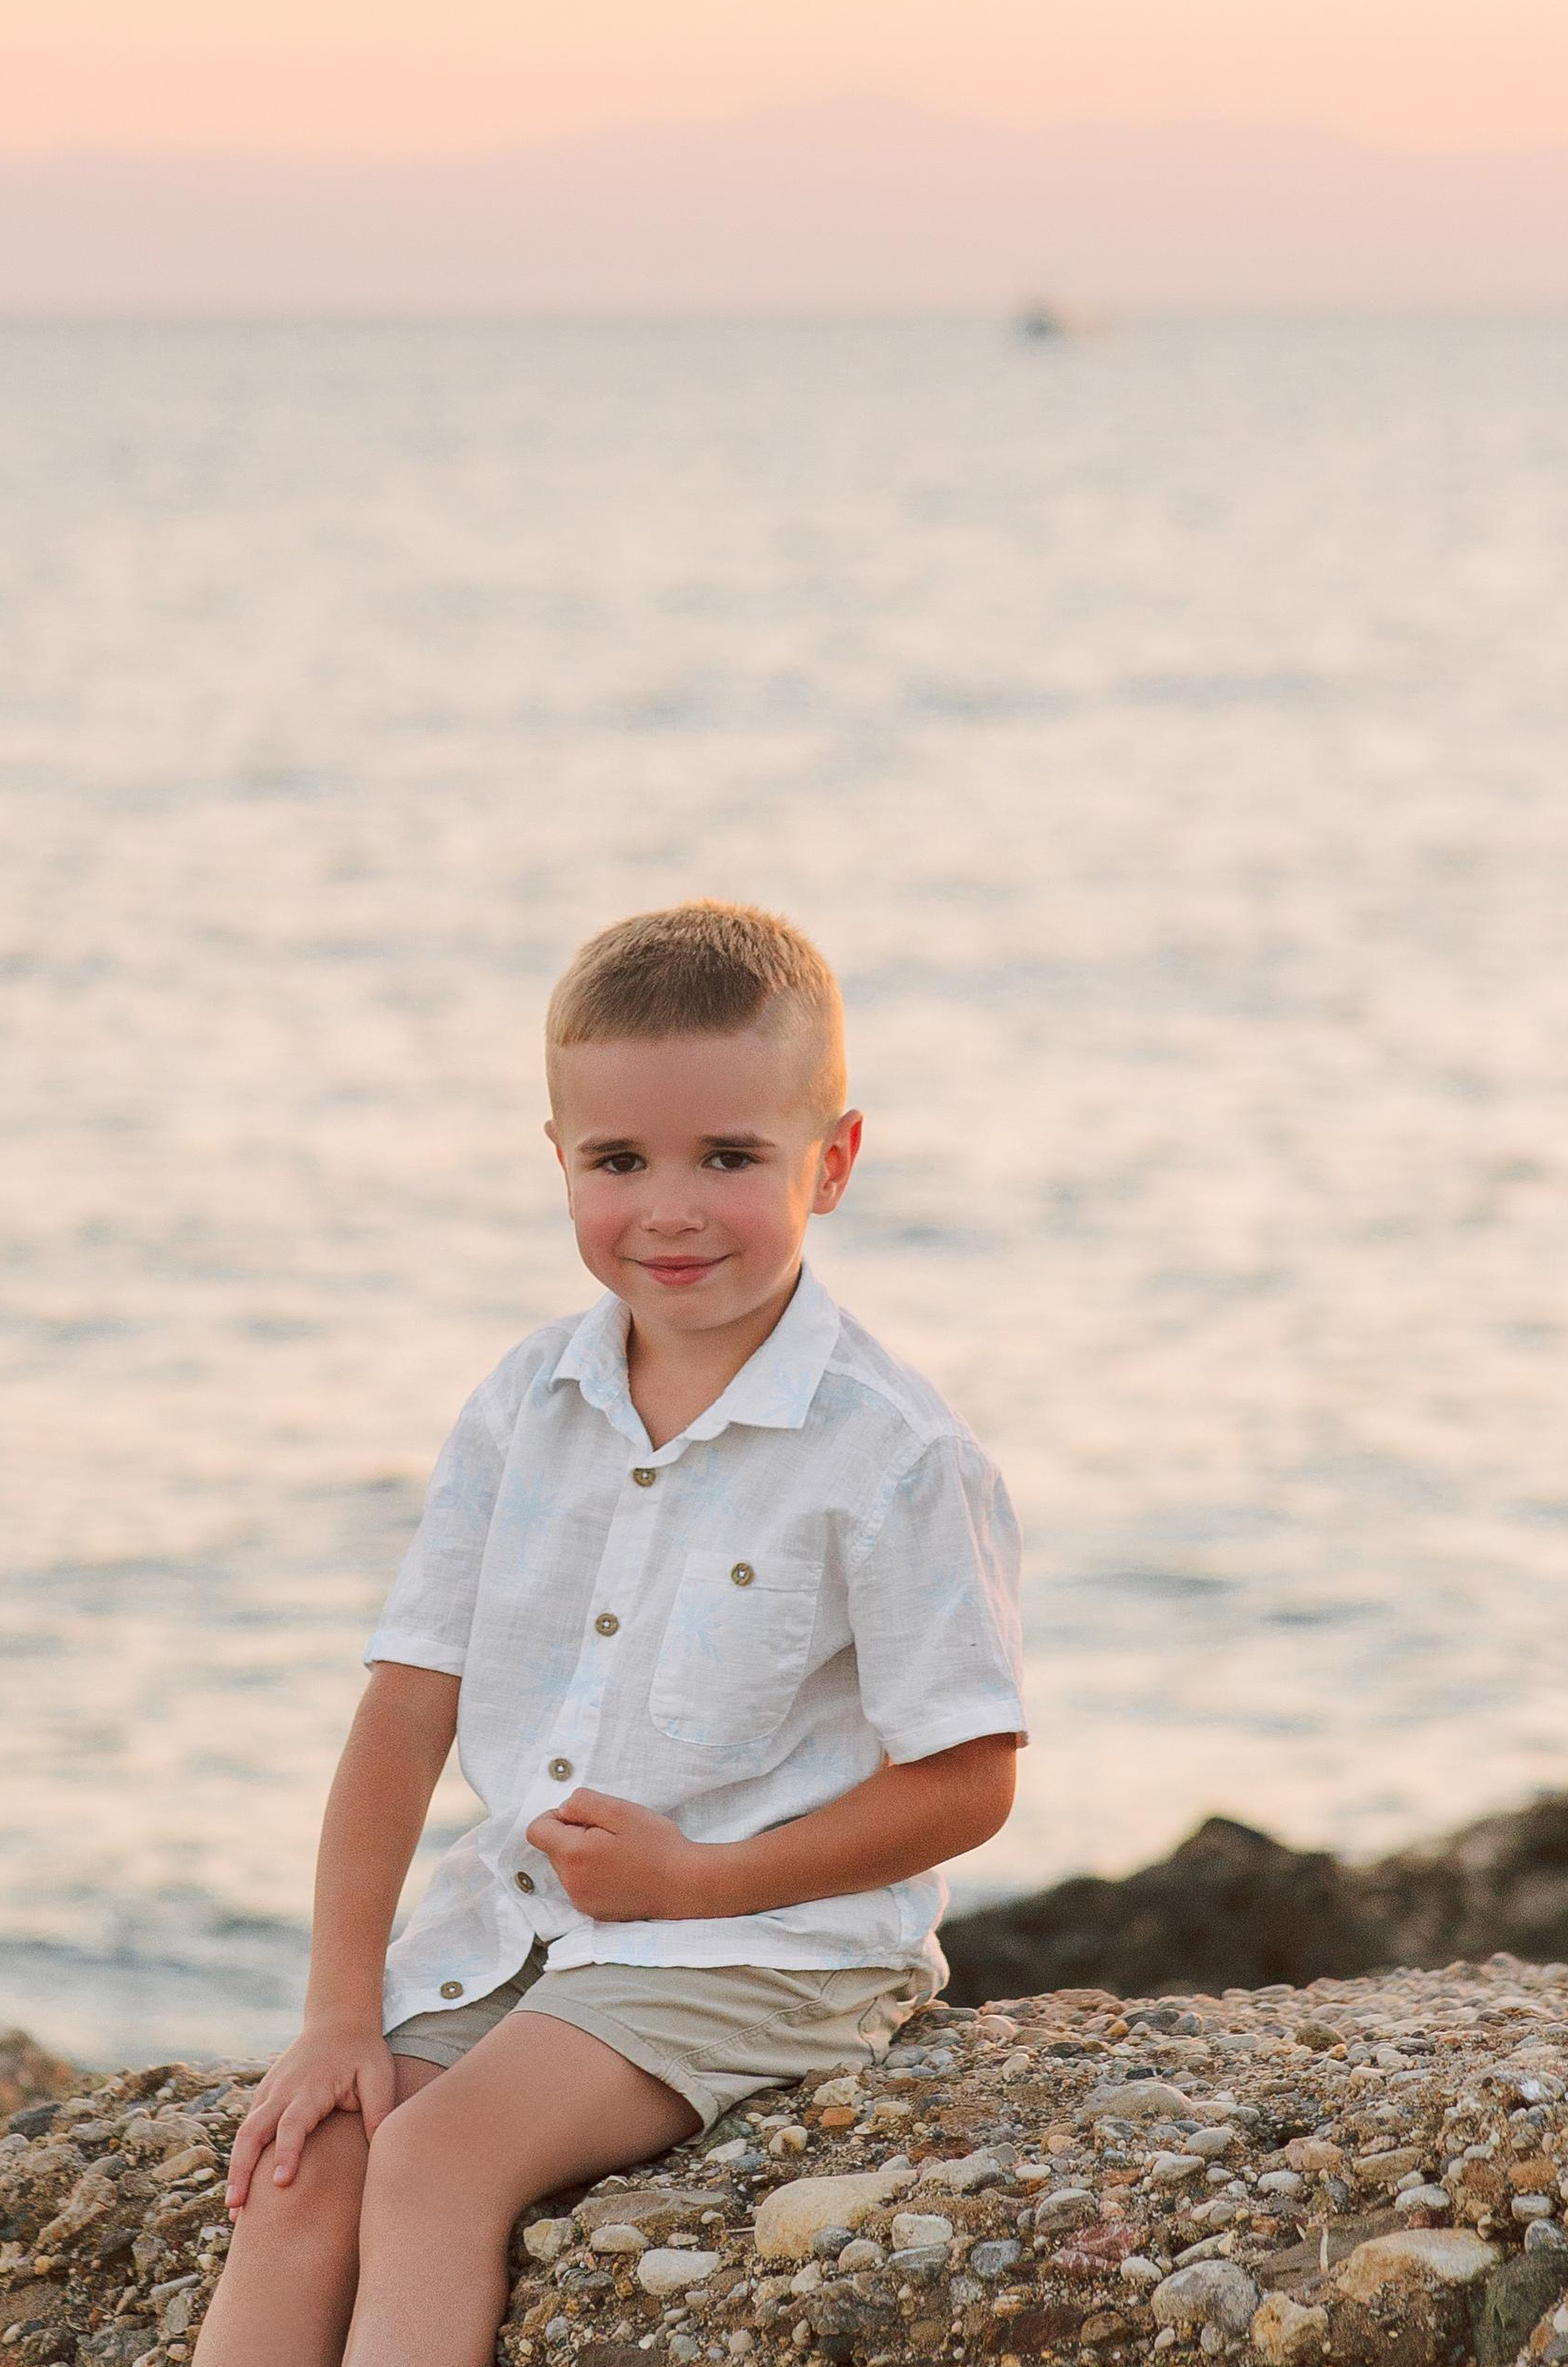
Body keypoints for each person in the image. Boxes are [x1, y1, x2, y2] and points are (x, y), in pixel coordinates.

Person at [197, 901, 1027, 2367]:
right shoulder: (526, 1405)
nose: (672, 1209)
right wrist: (337, 2015)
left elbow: (967, 1784)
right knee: (308, 2155)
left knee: (438, 2161)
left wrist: (702, 1882)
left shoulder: (892, 1454)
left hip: (769, 1944)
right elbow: (403, 1714)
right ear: (559, 1161)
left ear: (831, 1161)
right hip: (525, 1924)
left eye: (731, 1157)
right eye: (619, 1161)